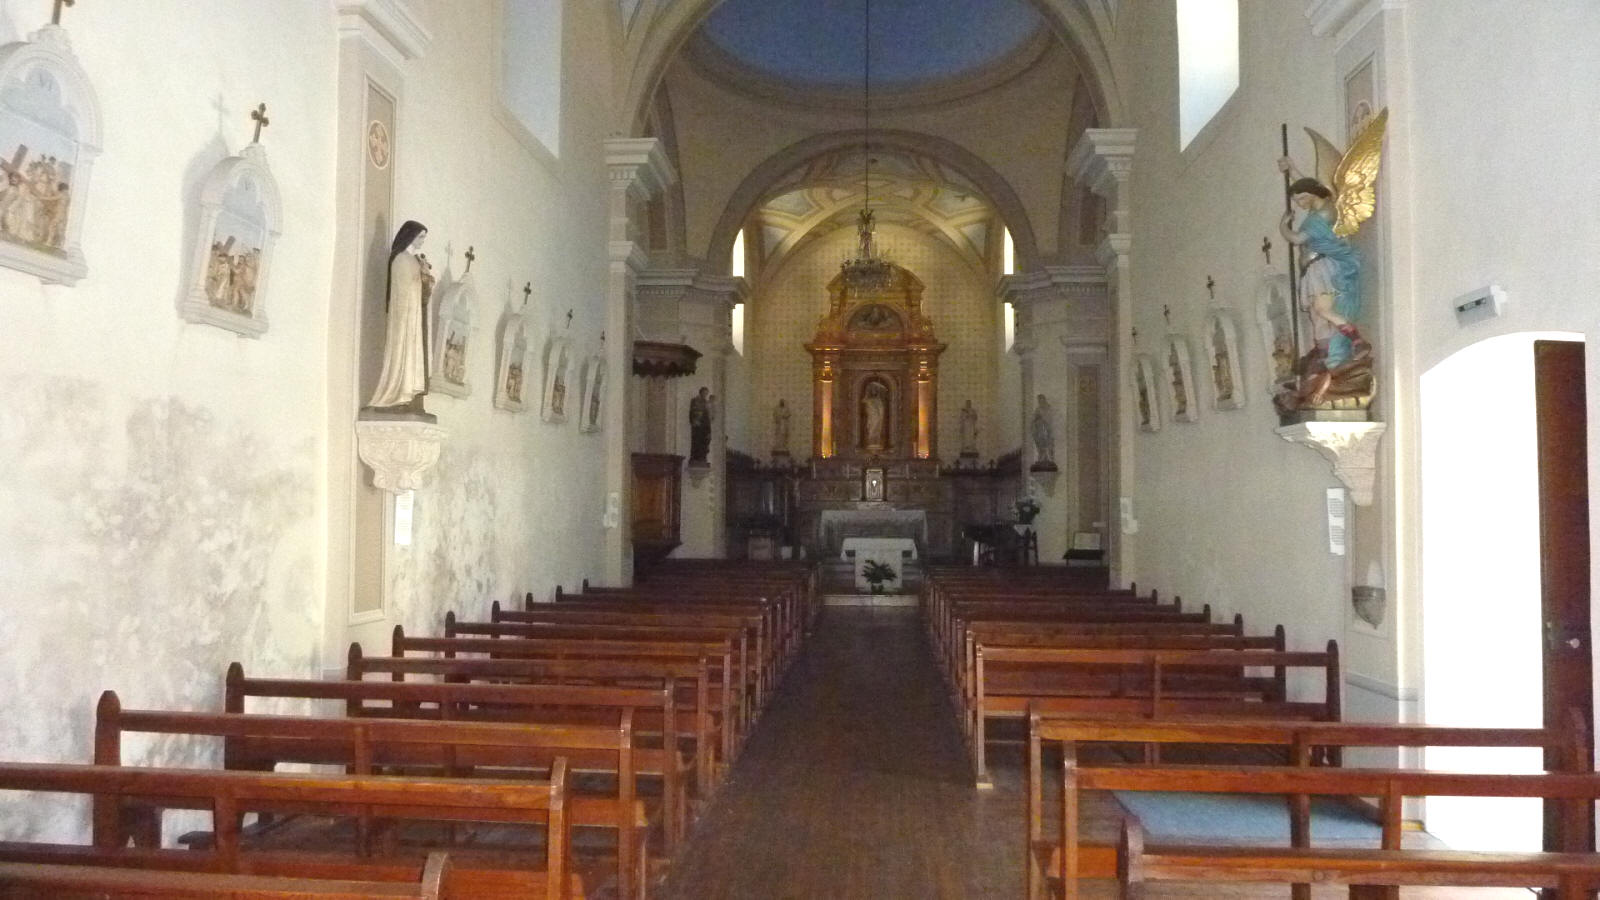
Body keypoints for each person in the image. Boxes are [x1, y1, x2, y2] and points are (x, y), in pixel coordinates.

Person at [366, 220, 430, 412]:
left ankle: (406, 393)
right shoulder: (401, 259)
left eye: (424, 238)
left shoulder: (414, 260)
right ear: (410, 236)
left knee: (411, 353)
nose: (422, 241)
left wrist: (425, 276)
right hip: (403, 317)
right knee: (401, 352)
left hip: (413, 317)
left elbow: (421, 289)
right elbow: (402, 290)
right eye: (420, 237)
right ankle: (395, 395)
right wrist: (420, 277)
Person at [689, 386, 712, 463]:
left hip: (705, 425)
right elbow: (692, 412)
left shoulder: (707, 403)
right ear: (700, 392)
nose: (705, 395)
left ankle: (703, 458)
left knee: (705, 441)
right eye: (704, 393)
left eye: (706, 393)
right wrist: (694, 421)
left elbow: (709, 415)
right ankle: (695, 458)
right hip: (698, 425)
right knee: (696, 441)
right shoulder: (695, 400)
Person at [1031, 394, 1055, 466]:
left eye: (1041, 400)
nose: (1040, 402)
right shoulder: (1038, 409)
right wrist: (1036, 421)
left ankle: (1049, 458)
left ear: (1044, 399)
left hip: (1047, 430)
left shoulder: (1049, 408)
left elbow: (1051, 419)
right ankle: (1042, 457)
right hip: (1040, 430)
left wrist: (1044, 420)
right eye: (1039, 401)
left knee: (1049, 444)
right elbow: (1033, 420)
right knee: (1040, 445)